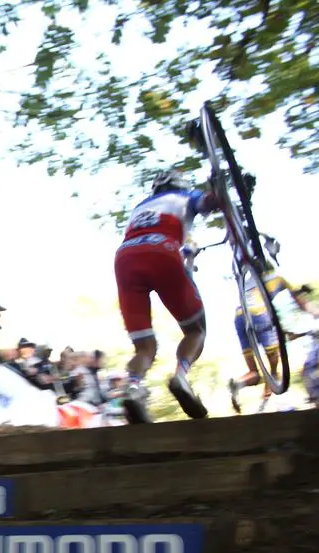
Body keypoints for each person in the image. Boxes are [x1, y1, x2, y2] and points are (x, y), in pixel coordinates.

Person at [113, 168, 220, 423]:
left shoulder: (141, 206)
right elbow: (210, 201)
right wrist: (220, 189)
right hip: (161, 250)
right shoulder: (185, 196)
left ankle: (134, 387)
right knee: (196, 330)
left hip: (125, 257)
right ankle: (181, 376)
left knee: (144, 347)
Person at [229, 265, 318, 413]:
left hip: (239, 317)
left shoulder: (250, 282)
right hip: (259, 314)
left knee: (255, 373)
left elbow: (271, 323)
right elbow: (304, 305)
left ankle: (238, 384)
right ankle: (271, 404)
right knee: (274, 368)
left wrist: (287, 332)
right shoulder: (278, 278)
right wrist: (314, 312)